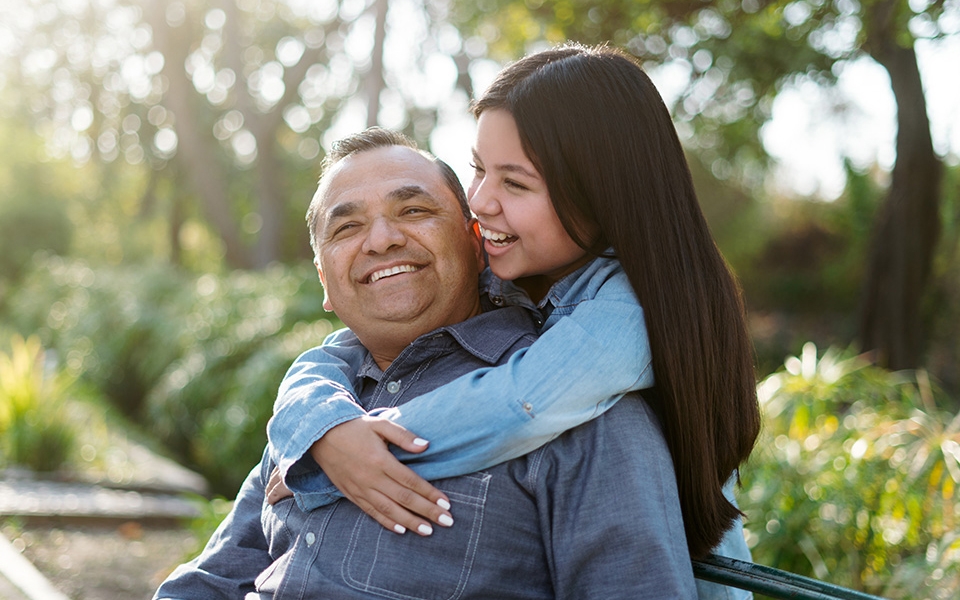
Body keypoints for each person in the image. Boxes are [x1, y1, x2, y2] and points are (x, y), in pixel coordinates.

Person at [267, 41, 760, 571]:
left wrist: (360, 452)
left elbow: (517, 405)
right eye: (478, 169)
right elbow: (344, 348)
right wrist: (319, 422)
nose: (478, 201)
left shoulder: (628, 314)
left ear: (599, 196)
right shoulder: (515, 271)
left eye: (514, 183)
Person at [154, 128, 697, 598]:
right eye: (346, 228)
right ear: (325, 282)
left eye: (413, 210)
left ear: (478, 242)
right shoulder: (319, 409)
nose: (382, 240)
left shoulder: (581, 410)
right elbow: (208, 583)